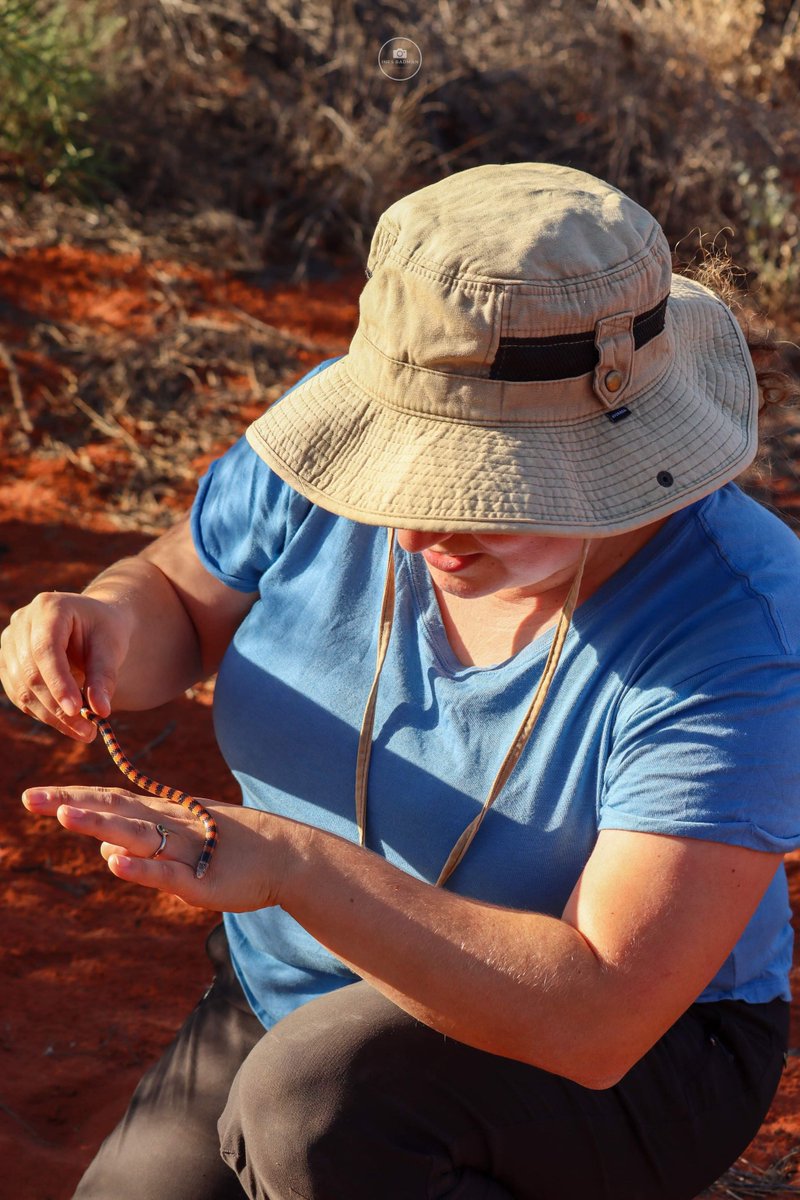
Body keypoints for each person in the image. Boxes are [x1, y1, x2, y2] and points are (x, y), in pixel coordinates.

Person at [3, 161, 800, 1200]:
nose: (412, 526)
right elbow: (178, 597)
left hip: (616, 1059)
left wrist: (295, 866)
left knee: (313, 1103)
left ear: (611, 454)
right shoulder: (345, 473)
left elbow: (596, 1013)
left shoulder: (736, 629)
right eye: (403, 472)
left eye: (486, 488)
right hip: (290, 988)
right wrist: (105, 618)